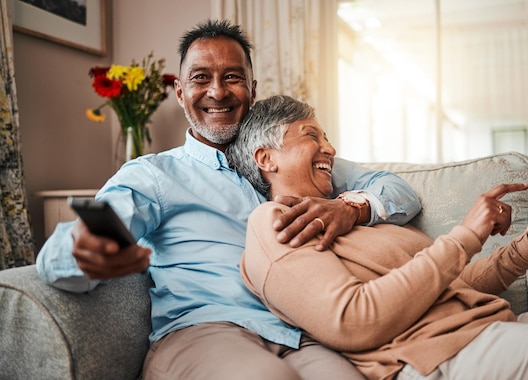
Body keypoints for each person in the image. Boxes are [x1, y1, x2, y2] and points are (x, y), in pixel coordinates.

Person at [36, 20, 422, 380]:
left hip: (302, 334)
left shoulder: (287, 157)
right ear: (181, 91)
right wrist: (82, 249)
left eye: (232, 77)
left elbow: (401, 193)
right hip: (206, 331)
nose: (217, 91)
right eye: (201, 78)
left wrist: (350, 208)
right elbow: (77, 242)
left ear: (253, 90)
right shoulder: (155, 174)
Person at [227, 95, 528, 380]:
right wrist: (466, 236)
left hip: (487, 326)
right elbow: (353, 321)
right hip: (438, 356)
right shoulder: (272, 224)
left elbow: (455, 286)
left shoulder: (352, 212)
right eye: (312, 135)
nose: (330, 148)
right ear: (266, 158)